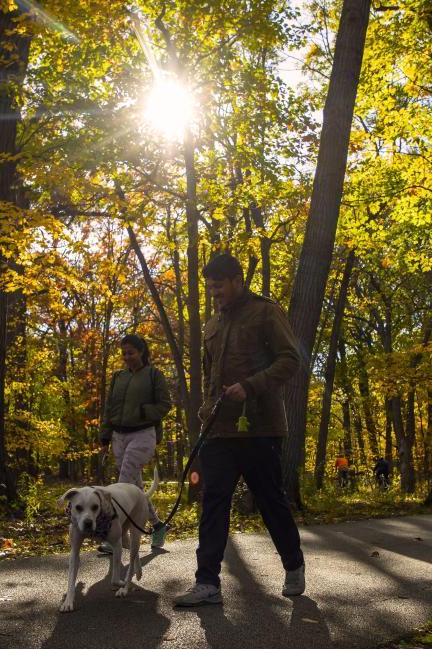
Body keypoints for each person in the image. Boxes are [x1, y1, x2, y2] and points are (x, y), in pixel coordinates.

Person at [173, 253, 305, 607]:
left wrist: (251, 385)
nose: (214, 292)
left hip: (260, 428)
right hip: (218, 430)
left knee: (269, 500)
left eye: (219, 285)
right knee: (213, 503)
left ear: (237, 280)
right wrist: (206, 409)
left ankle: (293, 565)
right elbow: (209, 375)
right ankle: (207, 583)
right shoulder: (212, 324)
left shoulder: (265, 312)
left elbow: (290, 359)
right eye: (210, 286)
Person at [98, 333, 172, 552]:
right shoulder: (118, 377)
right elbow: (109, 408)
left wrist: (143, 411)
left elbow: (165, 405)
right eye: (123, 353)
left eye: (131, 352)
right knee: (135, 488)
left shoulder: (153, 374)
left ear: (141, 352)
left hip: (143, 434)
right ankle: (157, 525)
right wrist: (105, 436)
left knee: (121, 486)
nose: (126, 357)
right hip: (119, 436)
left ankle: (113, 536)